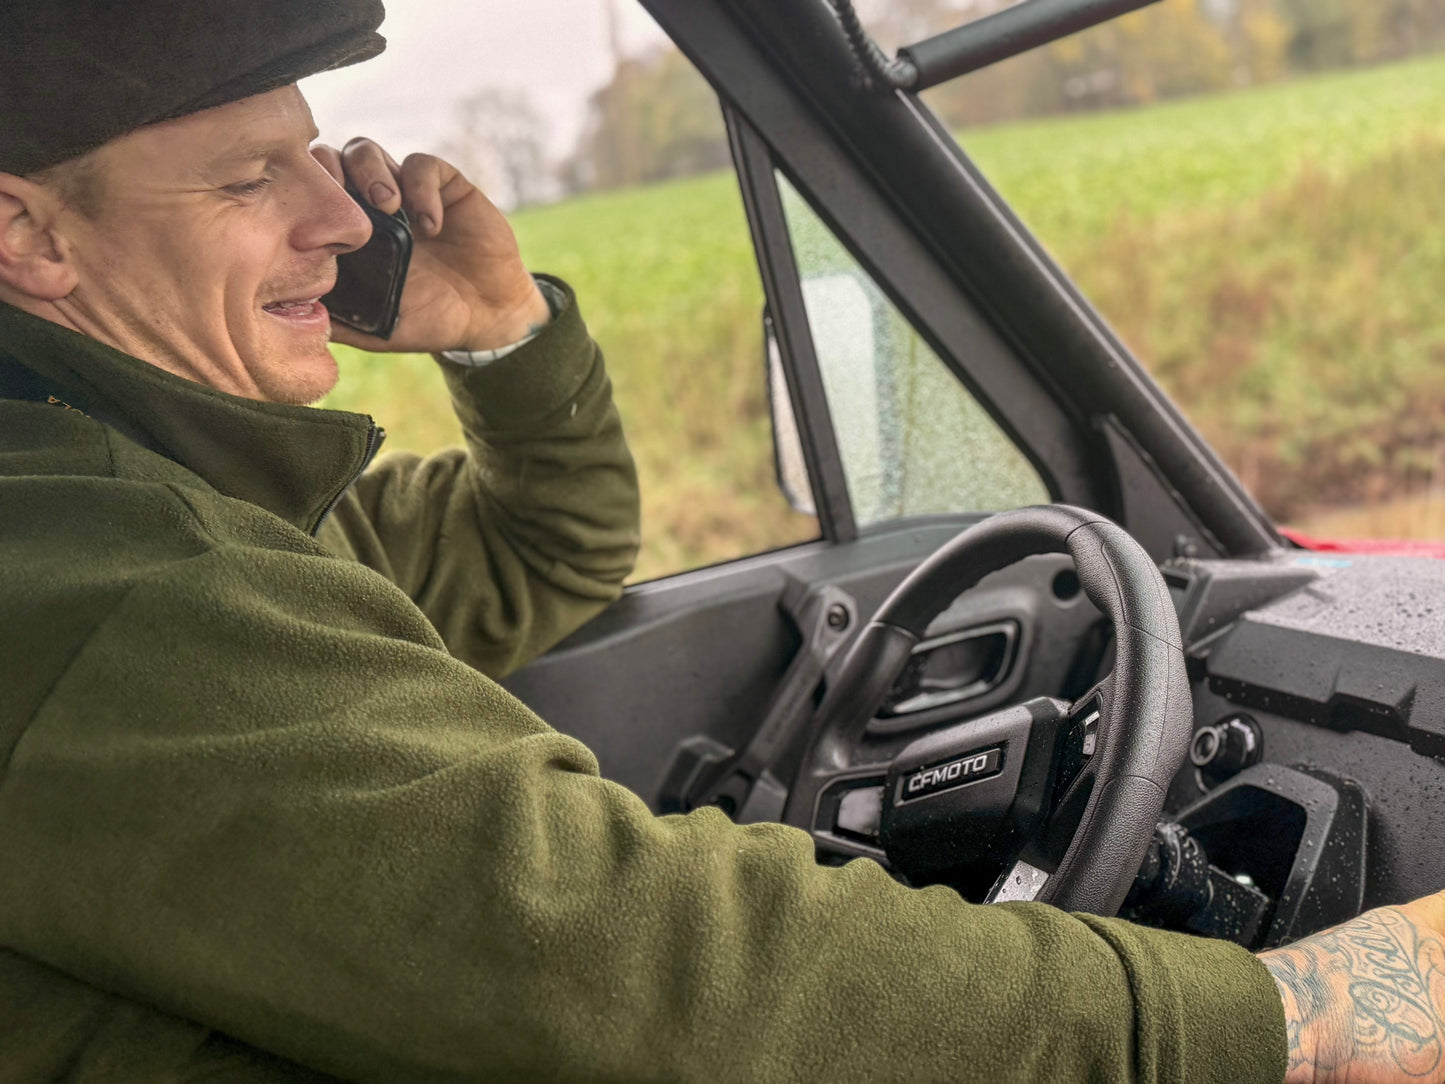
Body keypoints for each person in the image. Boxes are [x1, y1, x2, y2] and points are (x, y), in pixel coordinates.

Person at [0, 2, 1441, 1082]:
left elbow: (535, 552)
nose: (334, 214)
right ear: (32, 238)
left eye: (318, 157)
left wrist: (499, 335)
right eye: (250, 178)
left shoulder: (192, 501)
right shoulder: (99, 578)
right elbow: (612, 959)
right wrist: (1296, 1019)